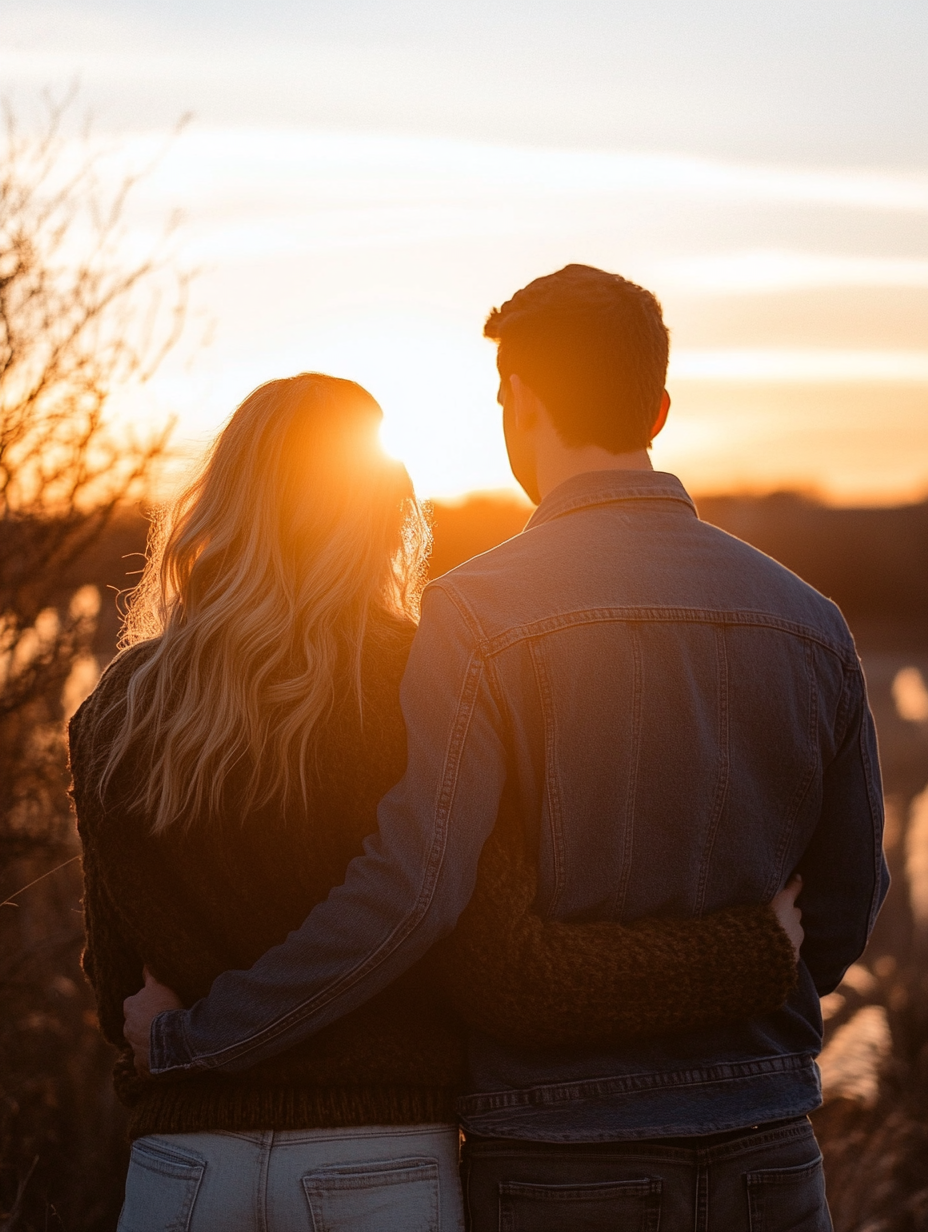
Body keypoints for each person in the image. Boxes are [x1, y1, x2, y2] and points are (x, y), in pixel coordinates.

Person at [122, 265, 888, 1232]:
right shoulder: (813, 625)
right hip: (770, 1147)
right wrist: (742, 982)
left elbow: (417, 896)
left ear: (516, 401)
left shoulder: (476, 616)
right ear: (656, 406)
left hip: (557, 1159)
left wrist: (198, 1037)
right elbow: (843, 912)